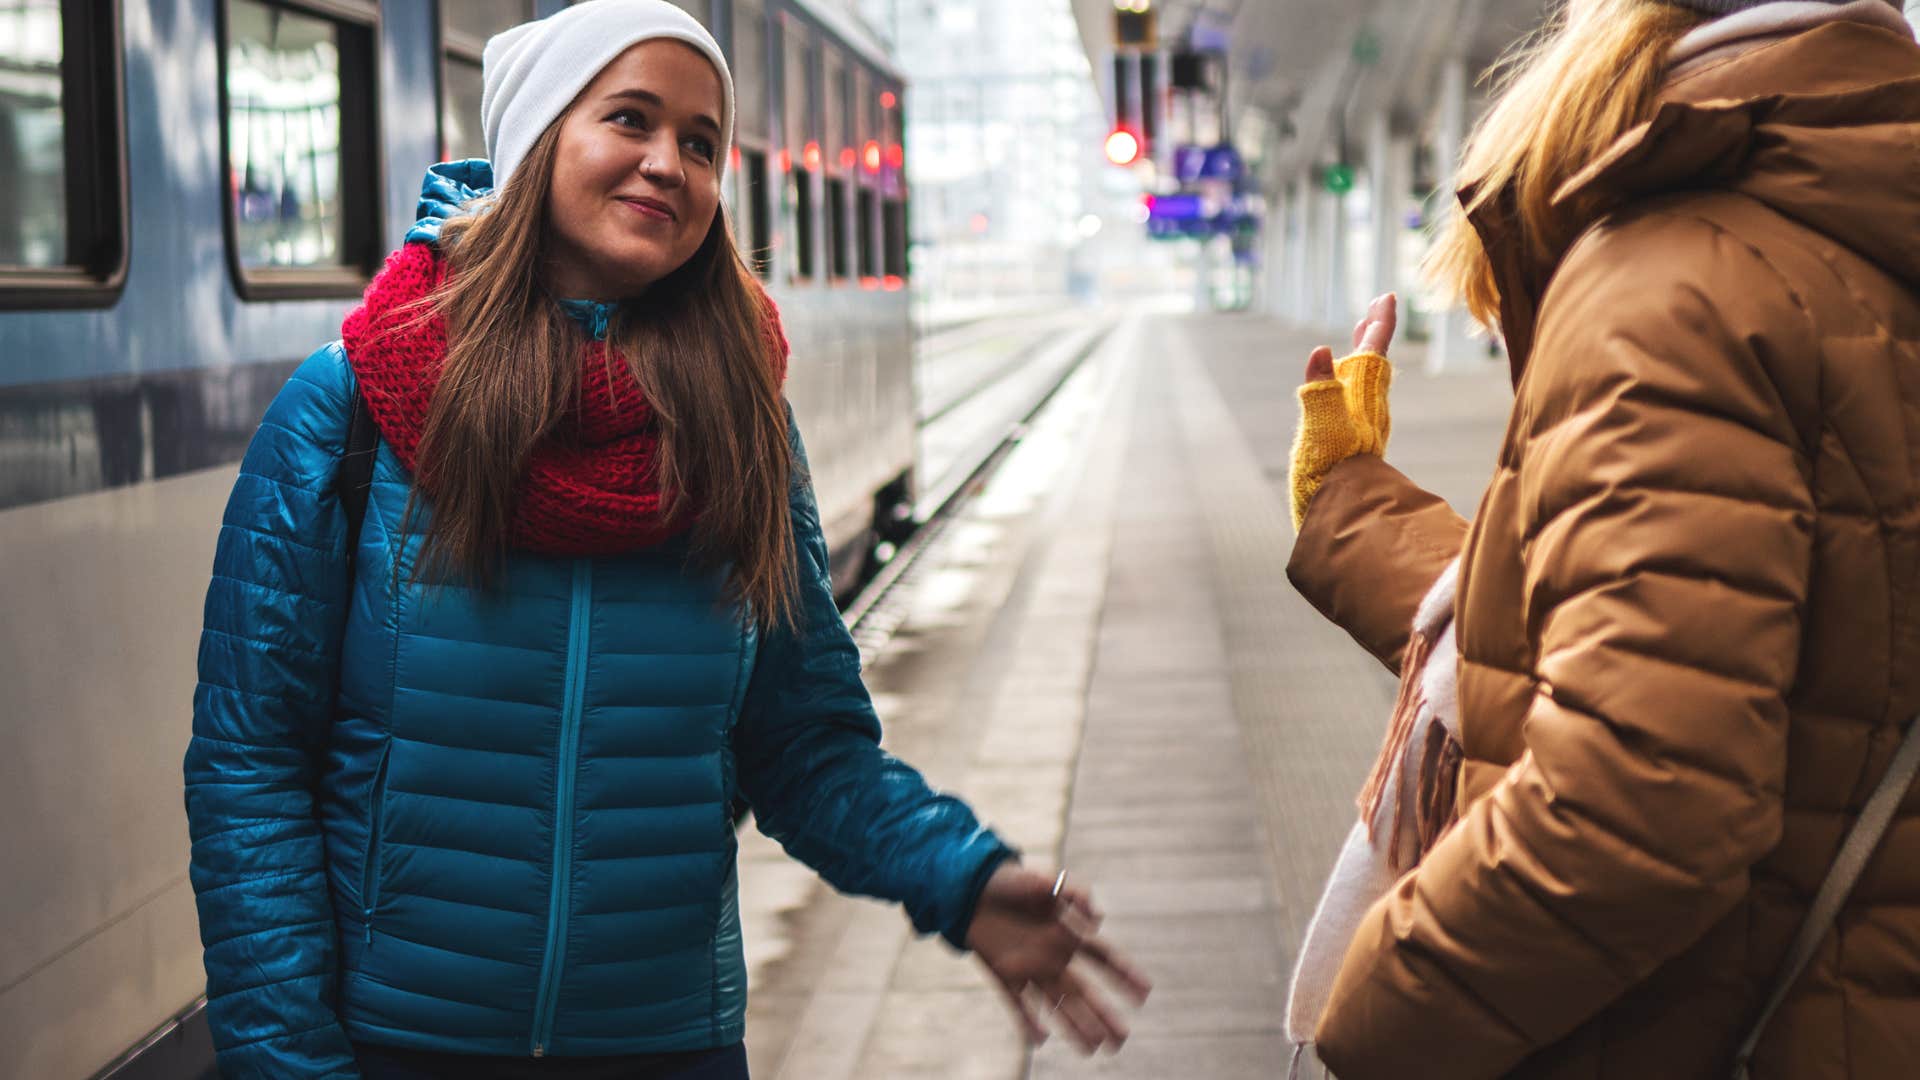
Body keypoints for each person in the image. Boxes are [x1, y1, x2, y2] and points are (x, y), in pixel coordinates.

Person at [182, 4, 1148, 1076]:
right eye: (629, 119)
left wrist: (958, 878)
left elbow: (802, 745)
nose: (667, 164)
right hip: (401, 1043)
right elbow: (250, 765)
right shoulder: (354, 408)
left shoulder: (741, 428)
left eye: (699, 142)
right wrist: (287, 1062)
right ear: (542, 135)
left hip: (667, 1045)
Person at [1285, 0, 1920, 1077]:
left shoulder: (1676, 282)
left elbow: (1639, 803)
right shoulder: (1851, 230)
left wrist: (1376, 1018)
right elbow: (1729, 633)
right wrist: (1354, 506)